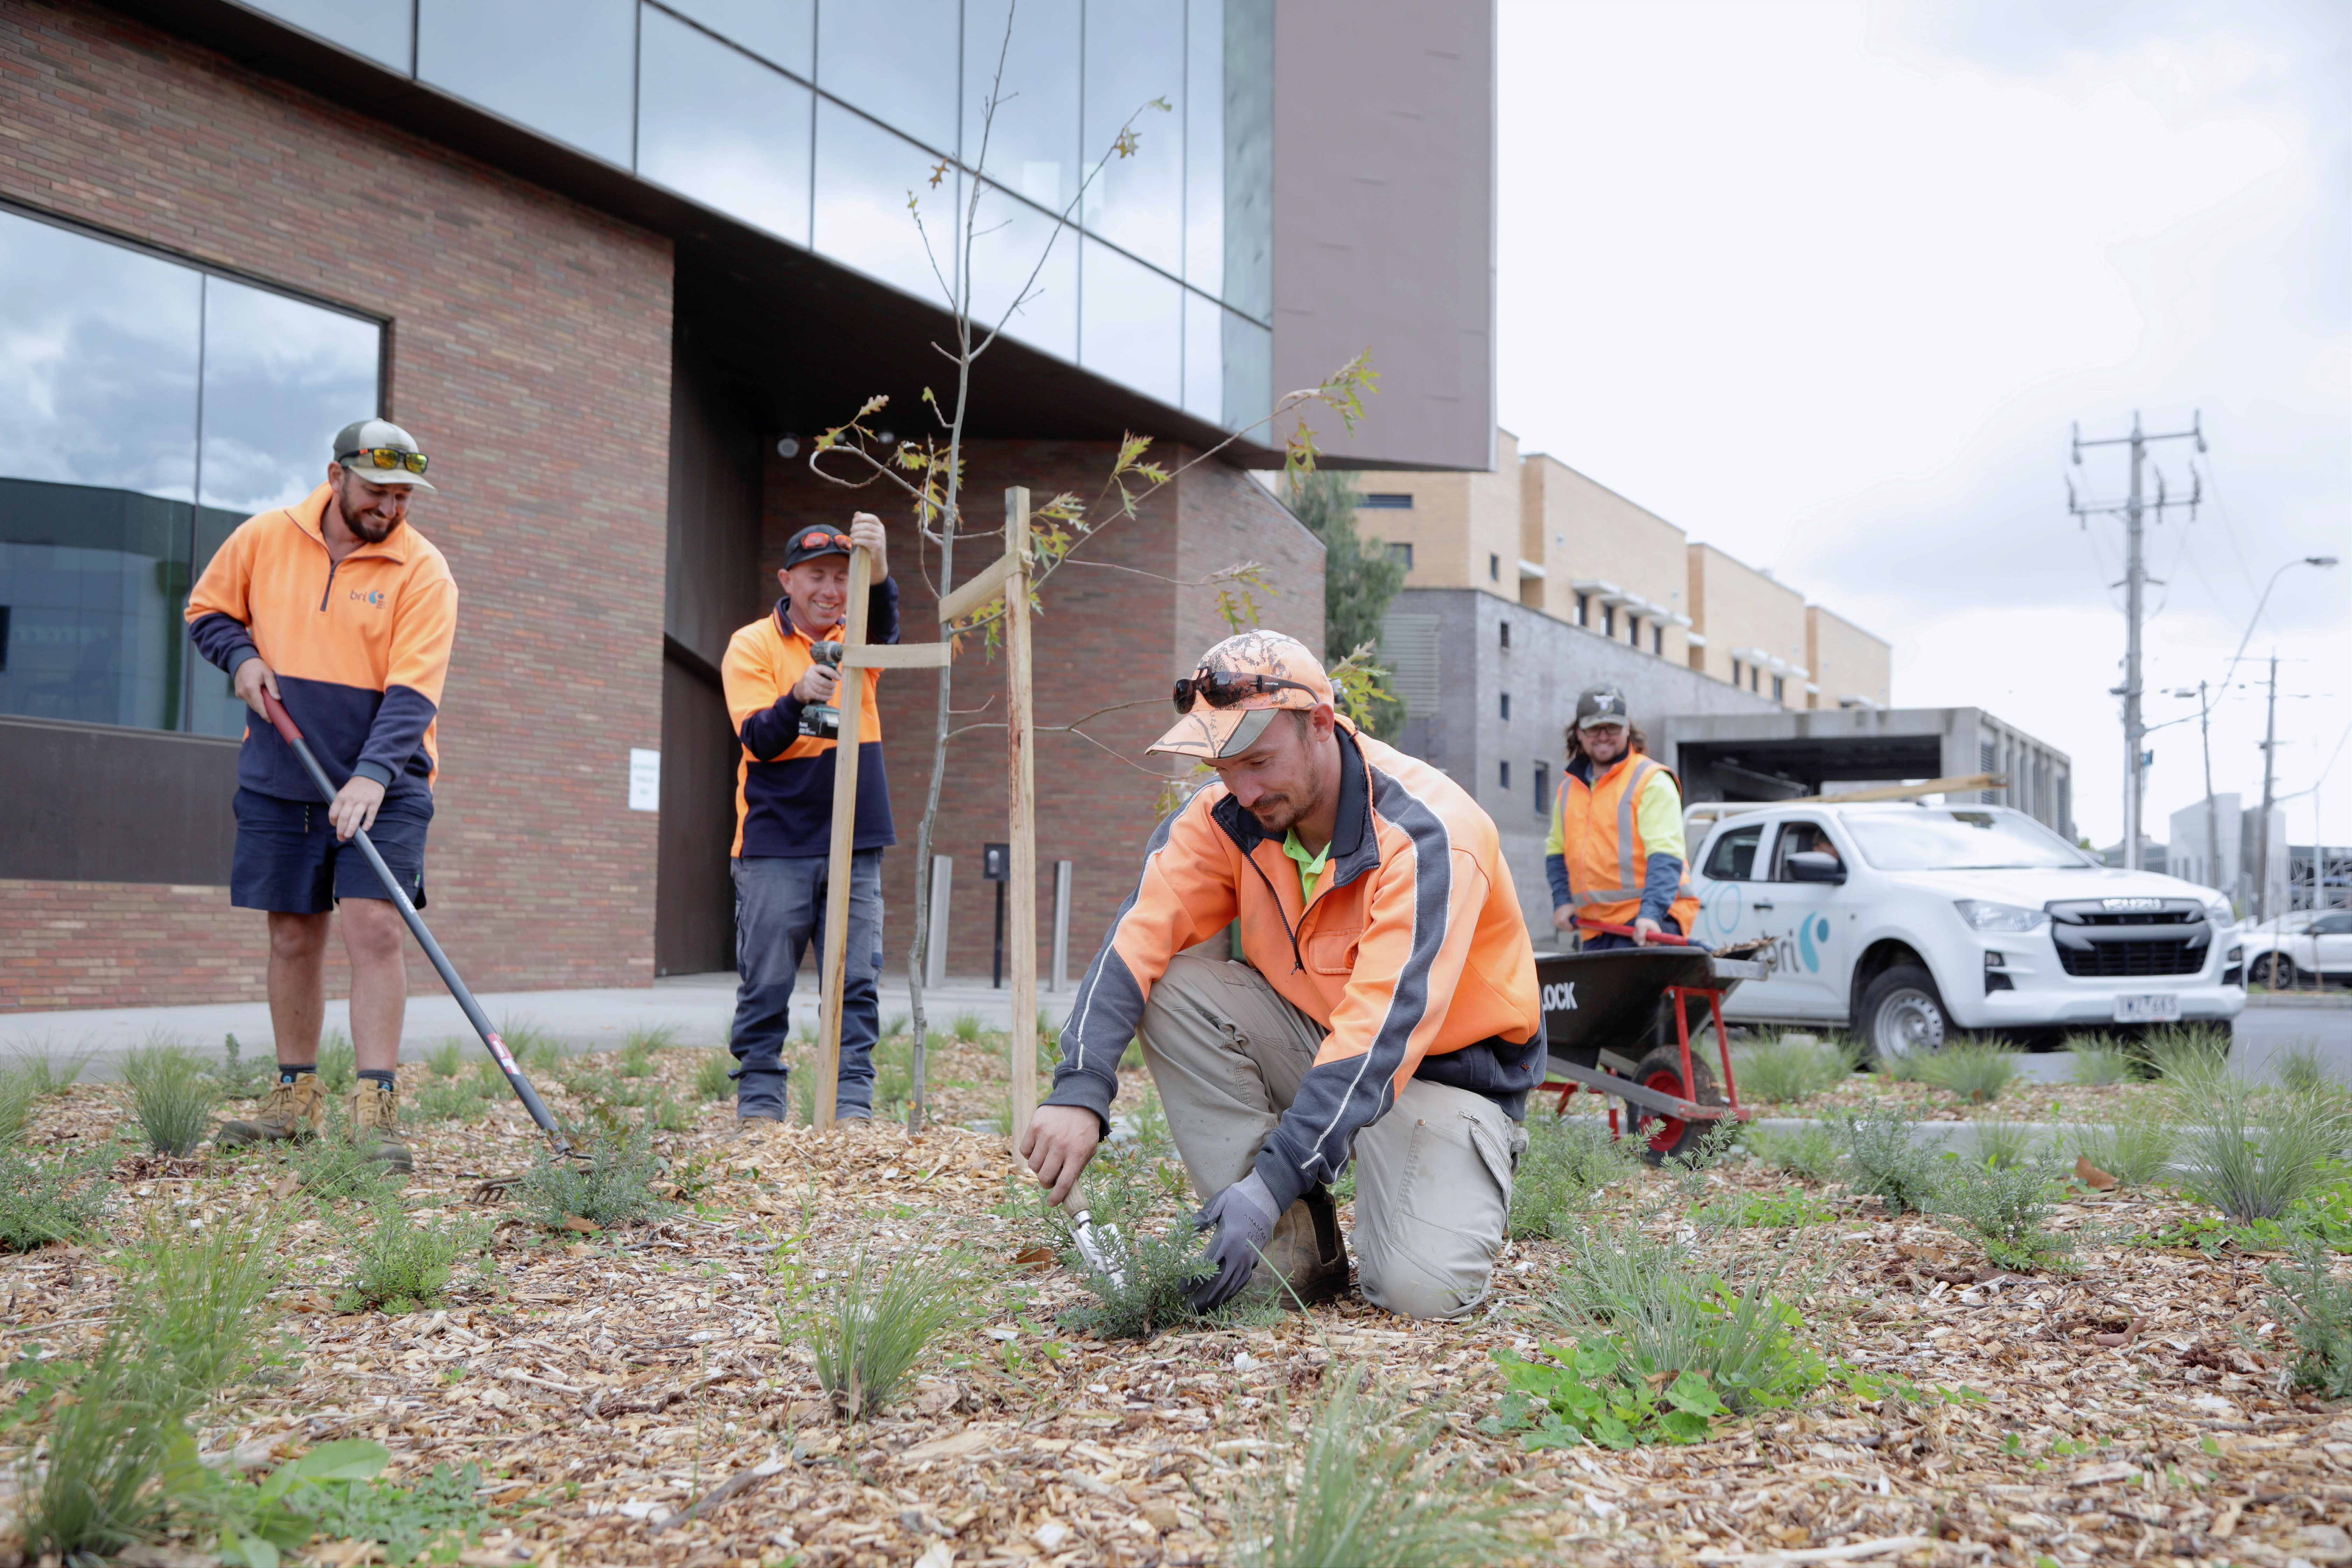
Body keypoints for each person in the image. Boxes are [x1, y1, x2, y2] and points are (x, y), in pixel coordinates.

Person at [1020, 632, 1544, 1320]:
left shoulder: (1428, 834)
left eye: (1260, 761)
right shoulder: (1225, 817)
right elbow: (1135, 940)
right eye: (1223, 765)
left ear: (1321, 724)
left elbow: (1377, 1037)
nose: (1243, 788)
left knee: (1422, 1292)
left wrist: (1268, 1179)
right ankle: (1293, 1241)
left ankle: (1294, 1194)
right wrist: (1080, 1088)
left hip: (1442, 1073)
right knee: (1173, 989)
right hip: (1323, 1038)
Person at [191, 419, 457, 1170]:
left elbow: (414, 691)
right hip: (282, 772)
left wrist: (371, 775)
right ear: (336, 477)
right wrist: (240, 657)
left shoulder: (424, 570)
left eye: (403, 494)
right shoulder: (264, 537)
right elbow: (207, 612)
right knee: (292, 933)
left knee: (374, 928)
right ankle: (295, 1100)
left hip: (389, 778)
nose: (390, 506)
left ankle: (376, 1113)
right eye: (378, 490)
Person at [719, 514, 896, 1129]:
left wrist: (883, 569)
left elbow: (888, 624)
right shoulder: (751, 645)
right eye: (817, 575)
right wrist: (797, 697)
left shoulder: (859, 643)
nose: (831, 590)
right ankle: (761, 1104)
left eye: (845, 578)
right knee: (767, 980)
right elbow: (758, 740)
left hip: (856, 836)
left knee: (856, 981)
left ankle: (852, 1106)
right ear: (787, 580)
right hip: (776, 841)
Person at [1544, 684, 1699, 950]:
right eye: (1594, 728)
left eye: (1612, 728)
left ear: (1628, 729)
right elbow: (1556, 851)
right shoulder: (1568, 790)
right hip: (1596, 927)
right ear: (1579, 733)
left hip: (1651, 921)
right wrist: (1563, 901)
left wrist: (1651, 914)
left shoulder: (1651, 781)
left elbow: (1666, 854)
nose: (1603, 736)